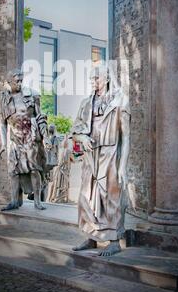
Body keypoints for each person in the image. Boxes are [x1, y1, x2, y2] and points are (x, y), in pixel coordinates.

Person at [71, 64, 131, 257]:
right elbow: (75, 131)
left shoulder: (120, 101)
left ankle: (114, 240)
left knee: (111, 196)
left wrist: (122, 166)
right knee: (86, 196)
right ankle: (91, 237)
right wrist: (83, 138)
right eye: (91, 79)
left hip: (111, 152)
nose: (93, 82)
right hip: (91, 155)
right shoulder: (86, 103)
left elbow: (126, 137)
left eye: (96, 79)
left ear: (106, 79)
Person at [0, 69, 51, 211]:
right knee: (13, 171)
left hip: (31, 138)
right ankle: (15, 201)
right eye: (17, 81)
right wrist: (3, 143)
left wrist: (45, 137)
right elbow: (2, 123)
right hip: (15, 139)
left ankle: (37, 201)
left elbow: (40, 117)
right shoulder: (4, 100)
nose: (20, 84)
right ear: (9, 82)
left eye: (21, 81)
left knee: (34, 169)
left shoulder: (32, 95)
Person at [47, 135, 74, 203]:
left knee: (56, 184)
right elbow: (73, 160)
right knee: (65, 185)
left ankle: (53, 197)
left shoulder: (60, 150)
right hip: (64, 171)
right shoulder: (68, 151)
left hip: (58, 171)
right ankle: (64, 198)